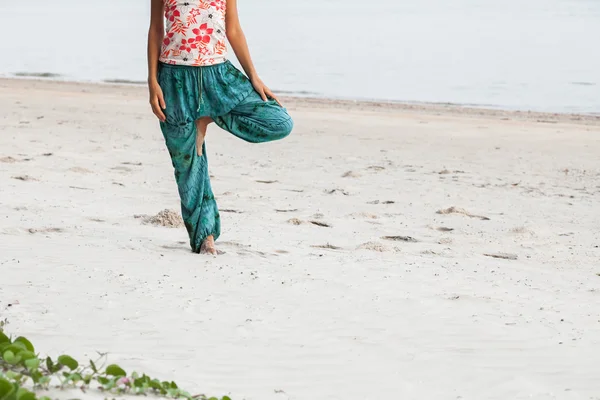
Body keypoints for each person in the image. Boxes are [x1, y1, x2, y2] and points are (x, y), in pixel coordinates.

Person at [147, 0, 293, 255]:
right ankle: (205, 237)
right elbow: (156, 29)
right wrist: (152, 81)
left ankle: (210, 116)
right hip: (174, 80)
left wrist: (254, 77)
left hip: (219, 77)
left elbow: (233, 29)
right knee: (187, 163)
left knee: (280, 122)